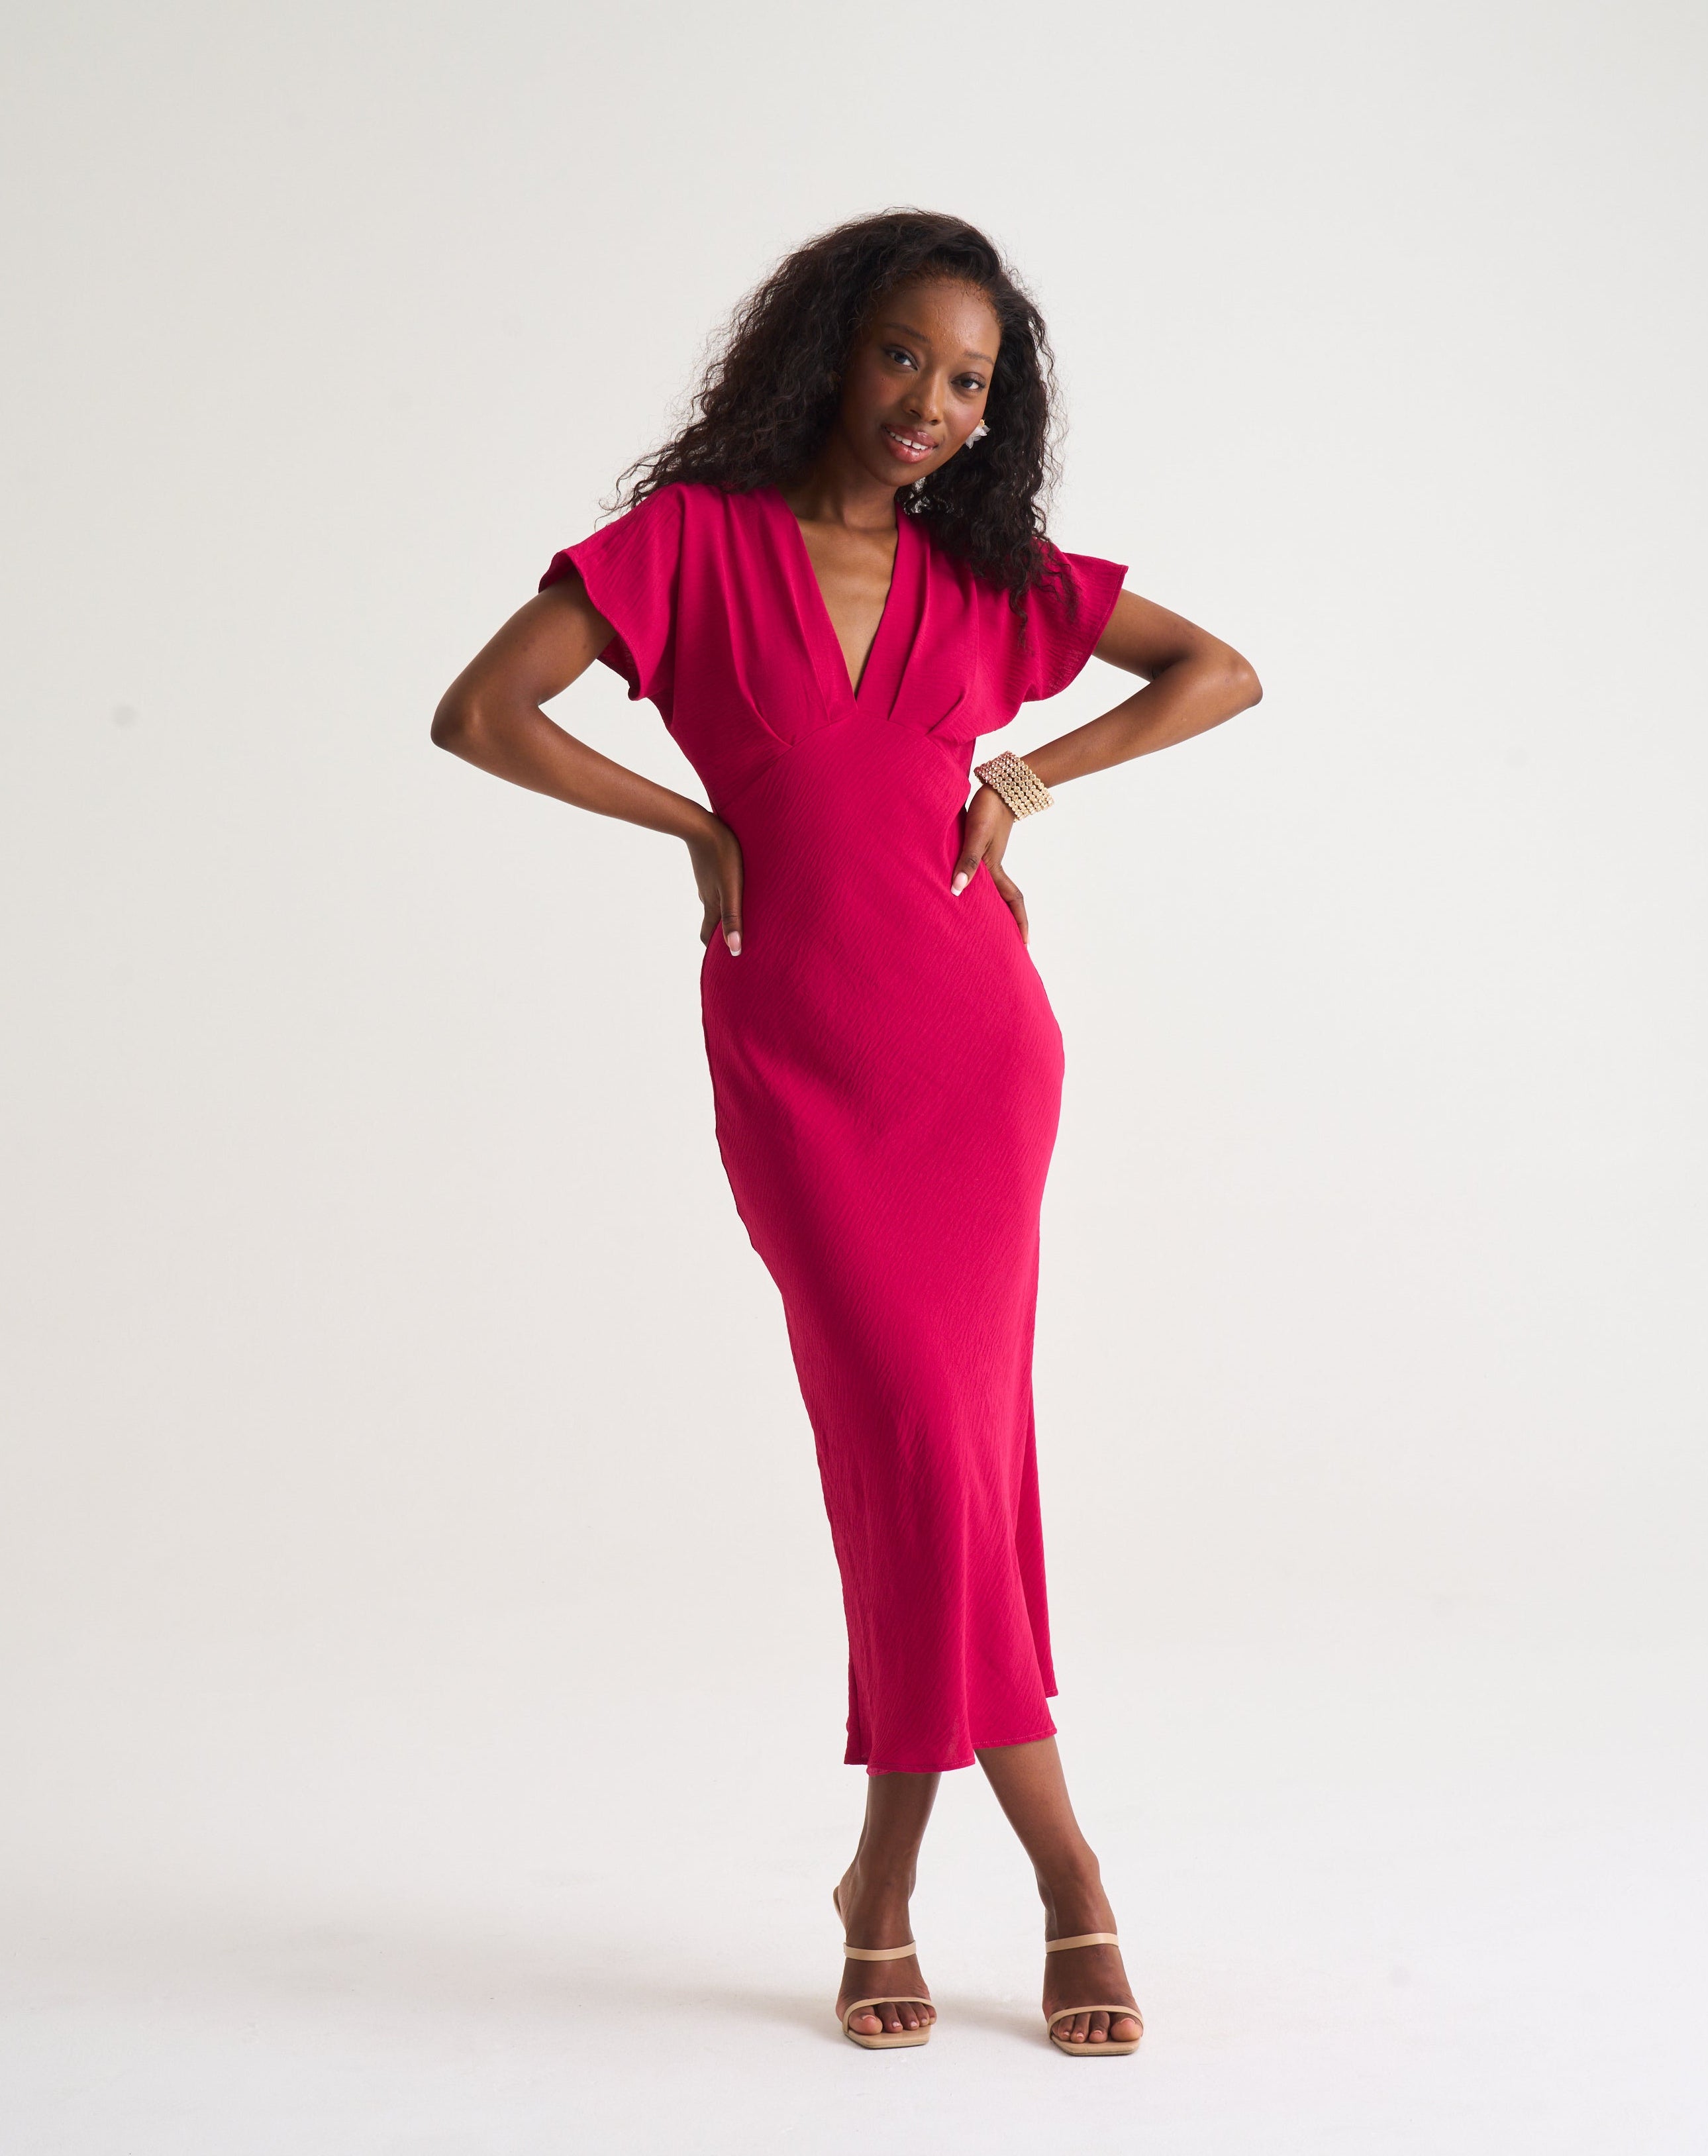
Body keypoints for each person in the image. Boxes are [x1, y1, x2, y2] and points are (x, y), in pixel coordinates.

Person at [432, 209, 1260, 2055]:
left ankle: (899, 1882)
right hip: (800, 1054)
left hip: (979, 1054)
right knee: (918, 1446)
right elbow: (481, 711)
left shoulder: (995, 576)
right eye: (904, 359)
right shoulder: (686, 550)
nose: (932, 407)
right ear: (830, 349)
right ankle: (1054, 1864)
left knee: (946, 1462)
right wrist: (692, 825)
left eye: (970, 382)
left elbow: (1218, 669)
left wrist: (1034, 772)